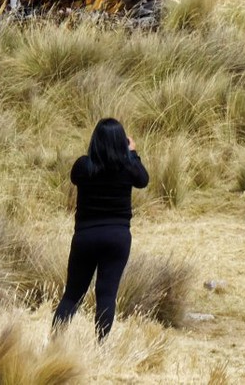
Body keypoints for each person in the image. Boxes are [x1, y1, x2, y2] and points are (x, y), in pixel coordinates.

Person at [53, 118, 148, 340]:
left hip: (86, 236)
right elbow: (143, 180)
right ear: (122, 142)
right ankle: (101, 346)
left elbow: (75, 177)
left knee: (72, 295)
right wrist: (132, 154)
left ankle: (56, 342)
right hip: (117, 236)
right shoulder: (127, 167)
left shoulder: (83, 166)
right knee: (106, 295)